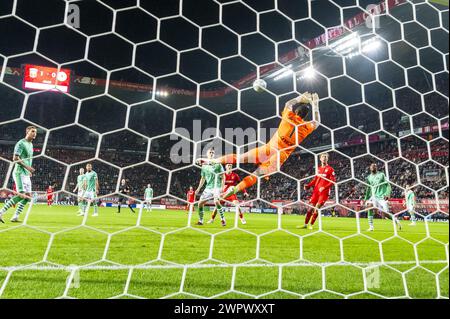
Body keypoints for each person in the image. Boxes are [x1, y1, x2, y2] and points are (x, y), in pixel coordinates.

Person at [197, 93, 320, 198]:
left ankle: (211, 161)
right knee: (256, 175)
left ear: (296, 111)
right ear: (305, 117)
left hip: (267, 149)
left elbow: (288, 103)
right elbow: (317, 122)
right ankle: (234, 190)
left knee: (239, 157)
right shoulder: (305, 128)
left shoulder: (288, 116)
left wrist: (300, 98)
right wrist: (315, 104)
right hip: (279, 157)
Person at [0, 126, 37, 223]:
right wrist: (27, 167)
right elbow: (15, 158)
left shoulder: (31, 145)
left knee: (28, 197)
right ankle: (1, 212)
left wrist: (29, 170)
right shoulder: (21, 143)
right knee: (21, 195)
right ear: (27, 132)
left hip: (26, 173)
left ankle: (15, 216)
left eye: (35, 132)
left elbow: (28, 159)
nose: (34, 133)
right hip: (19, 172)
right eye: (32, 131)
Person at [299, 153, 336, 230]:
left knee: (317, 208)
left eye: (326, 157)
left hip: (324, 193)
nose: (324, 158)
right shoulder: (318, 169)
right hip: (316, 192)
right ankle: (305, 224)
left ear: (327, 159)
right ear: (320, 159)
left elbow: (333, 181)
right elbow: (315, 180)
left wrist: (324, 187)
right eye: (323, 157)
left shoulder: (330, 169)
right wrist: (308, 185)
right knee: (309, 209)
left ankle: (311, 225)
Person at [364, 163, 401, 231]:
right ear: (370, 168)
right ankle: (371, 226)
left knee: (385, 214)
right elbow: (368, 188)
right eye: (372, 166)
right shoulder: (369, 177)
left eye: (374, 166)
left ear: (376, 167)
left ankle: (395, 220)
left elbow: (388, 185)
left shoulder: (381, 175)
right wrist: (366, 198)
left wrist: (387, 194)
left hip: (381, 197)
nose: (373, 167)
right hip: (374, 196)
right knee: (370, 206)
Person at [195, 148, 226, 226]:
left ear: (214, 154)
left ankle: (222, 219)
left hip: (217, 186)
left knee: (216, 201)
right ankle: (200, 220)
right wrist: (198, 188)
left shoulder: (218, 164)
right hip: (208, 188)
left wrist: (222, 187)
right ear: (207, 154)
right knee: (200, 204)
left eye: (212, 152)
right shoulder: (204, 165)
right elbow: (203, 178)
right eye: (210, 152)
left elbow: (223, 176)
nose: (211, 153)